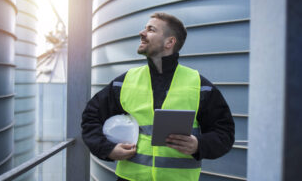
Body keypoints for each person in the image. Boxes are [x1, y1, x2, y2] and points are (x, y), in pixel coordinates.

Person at [82, 12, 235, 181]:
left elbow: (225, 133)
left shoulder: (200, 86)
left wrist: (199, 145)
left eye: (151, 29)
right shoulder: (125, 82)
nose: (142, 33)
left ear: (169, 42)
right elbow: (90, 117)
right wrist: (107, 149)